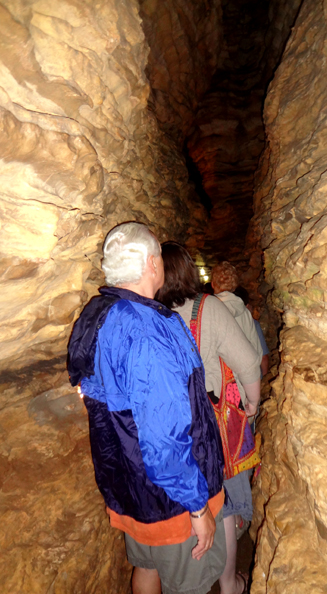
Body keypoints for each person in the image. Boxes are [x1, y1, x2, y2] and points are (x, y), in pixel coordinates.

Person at [67, 223, 226, 594]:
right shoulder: (147, 331)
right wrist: (198, 508)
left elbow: (93, 390)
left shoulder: (99, 314)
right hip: (170, 501)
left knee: (146, 567)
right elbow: (164, 437)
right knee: (190, 583)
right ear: (152, 264)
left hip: (129, 488)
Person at [156, 242, 262, 594]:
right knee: (225, 502)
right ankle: (228, 584)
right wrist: (252, 403)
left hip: (166, 429)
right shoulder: (207, 308)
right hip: (211, 425)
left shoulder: (148, 313)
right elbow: (247, 362)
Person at [234, 286, 269, 377]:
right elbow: (263, 356)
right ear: (247, 306)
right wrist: (264, 377)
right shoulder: (252, 324)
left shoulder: (224, 323)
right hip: (252, 377)